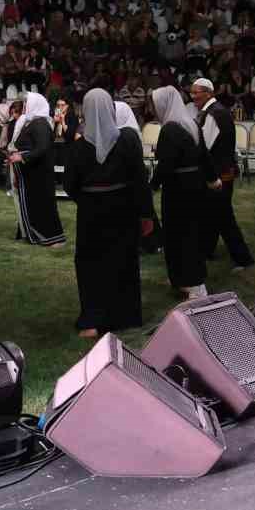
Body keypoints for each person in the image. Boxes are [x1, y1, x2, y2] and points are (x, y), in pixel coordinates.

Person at [64, 89, 156, 338]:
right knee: (122, 260)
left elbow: (70, 185)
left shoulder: (79, 147)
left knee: (91, 264)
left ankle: (93, 319)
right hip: (123, 209)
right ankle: (125, 315)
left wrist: (89, 198)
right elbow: (139, 181)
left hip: (92, 213)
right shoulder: (127, 141)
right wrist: (145, 214)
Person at [150, 85, 219, 298]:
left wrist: (152, 186)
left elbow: (166, 165)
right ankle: (183, 278)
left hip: (178, 189)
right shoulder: (191, 123)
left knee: (179, 234)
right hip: (195, 185)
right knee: (190, 232)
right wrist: (211, 178)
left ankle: (193, 283)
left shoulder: (170, 129)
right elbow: (204, 156)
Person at [191, 78, 253, 270]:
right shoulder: (218, 111)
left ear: (209, 92)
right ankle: (207, 250)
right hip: (224, 171)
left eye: (197, 92)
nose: (193, 96)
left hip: (217, 174)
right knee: (212, 215)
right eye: (191, 92)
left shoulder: (212, 115)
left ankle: (243, 259)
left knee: (224, 218)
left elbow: (204, 148)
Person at [7, 90, 65, 247]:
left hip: (40, 173)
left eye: (27, 104)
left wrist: (22, 157)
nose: (25, 106)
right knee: (34, 205)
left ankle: (51, 237)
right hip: (31, 173)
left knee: (43, 206)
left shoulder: (40, 124)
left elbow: (42, 148)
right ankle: (32, 232)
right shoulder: (32, 122)